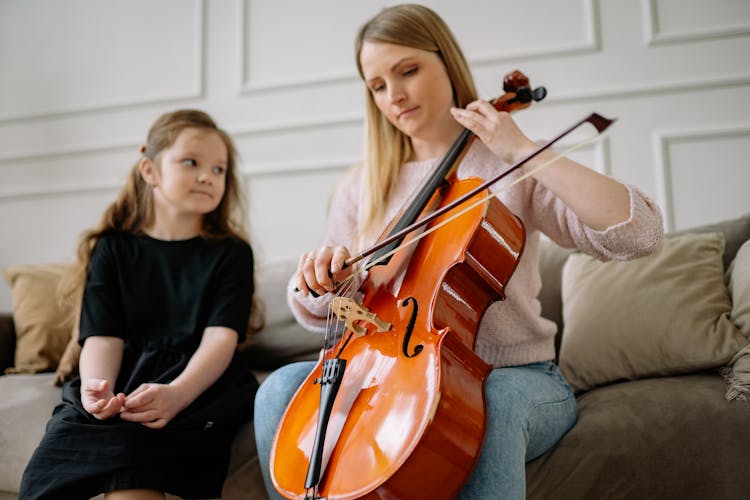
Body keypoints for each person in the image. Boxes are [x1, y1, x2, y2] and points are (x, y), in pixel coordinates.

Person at [254, 4, 663, 499]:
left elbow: (637, 234)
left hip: (518, 378)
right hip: (390, 371)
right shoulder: (363, 184)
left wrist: (521, 151)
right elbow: (319, 311)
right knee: (279, 388)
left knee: (489, 403)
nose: (394, 95)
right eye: (378, 85)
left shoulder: (509, 166)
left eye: (408, 71)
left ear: (447, 63)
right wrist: (322, 280)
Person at [20, 109, 261, 500]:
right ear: (149, 170)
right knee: (64, 455)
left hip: (197, 383)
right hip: (124, 375)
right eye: (191, 162)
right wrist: (97, 391)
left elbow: (220, 340)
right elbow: (102, 338)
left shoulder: (231, 253)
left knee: (136, 444)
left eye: (219, 170)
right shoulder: (111, 248)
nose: (207, 176)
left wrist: (178, 393)